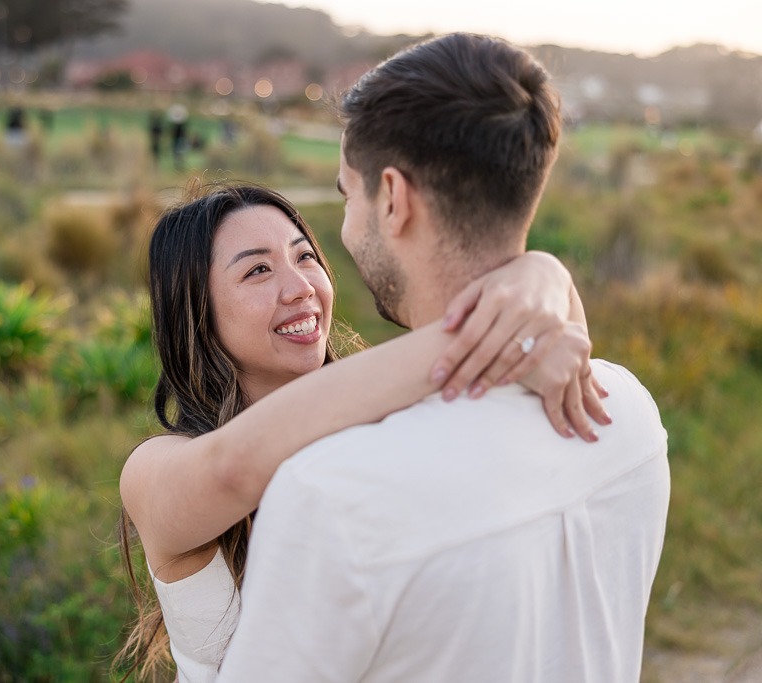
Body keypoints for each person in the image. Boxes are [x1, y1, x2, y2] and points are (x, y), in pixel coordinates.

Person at [215, 34, 669, 682]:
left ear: (392, 199)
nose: (345, 227)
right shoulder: (631, 415)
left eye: (347, 196)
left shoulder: (335, 495)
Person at [118, 181, 608, 682]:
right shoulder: (152, 470)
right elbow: (232, 469)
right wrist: (499, 329)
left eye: (305, 256)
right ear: (195, 310)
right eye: (257, 270)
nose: (300, 287)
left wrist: (545, 274)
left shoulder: (380, 418)